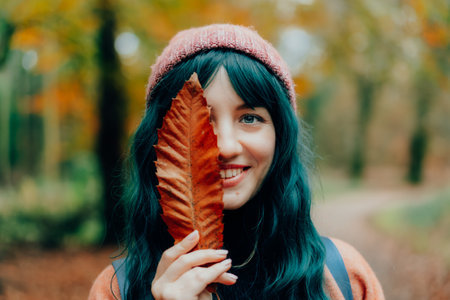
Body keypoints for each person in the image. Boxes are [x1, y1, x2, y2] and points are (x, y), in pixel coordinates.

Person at [88, 24, 384, 300]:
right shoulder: (115, 289)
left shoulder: (343, 275)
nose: (226, 146)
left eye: (250, 118)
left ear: (280, 137)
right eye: (201, 119)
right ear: (161, 141)